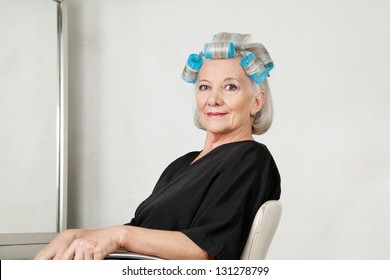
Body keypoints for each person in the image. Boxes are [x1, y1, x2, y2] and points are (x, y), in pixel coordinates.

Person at [35, 32, 281, 260]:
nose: (213, 99)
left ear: (256, 102)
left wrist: (119, 235)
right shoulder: (182, 165)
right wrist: (77, 235)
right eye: (205, 87)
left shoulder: (251, 159)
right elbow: (141, 232)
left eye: (230, 87)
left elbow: (206, 250)